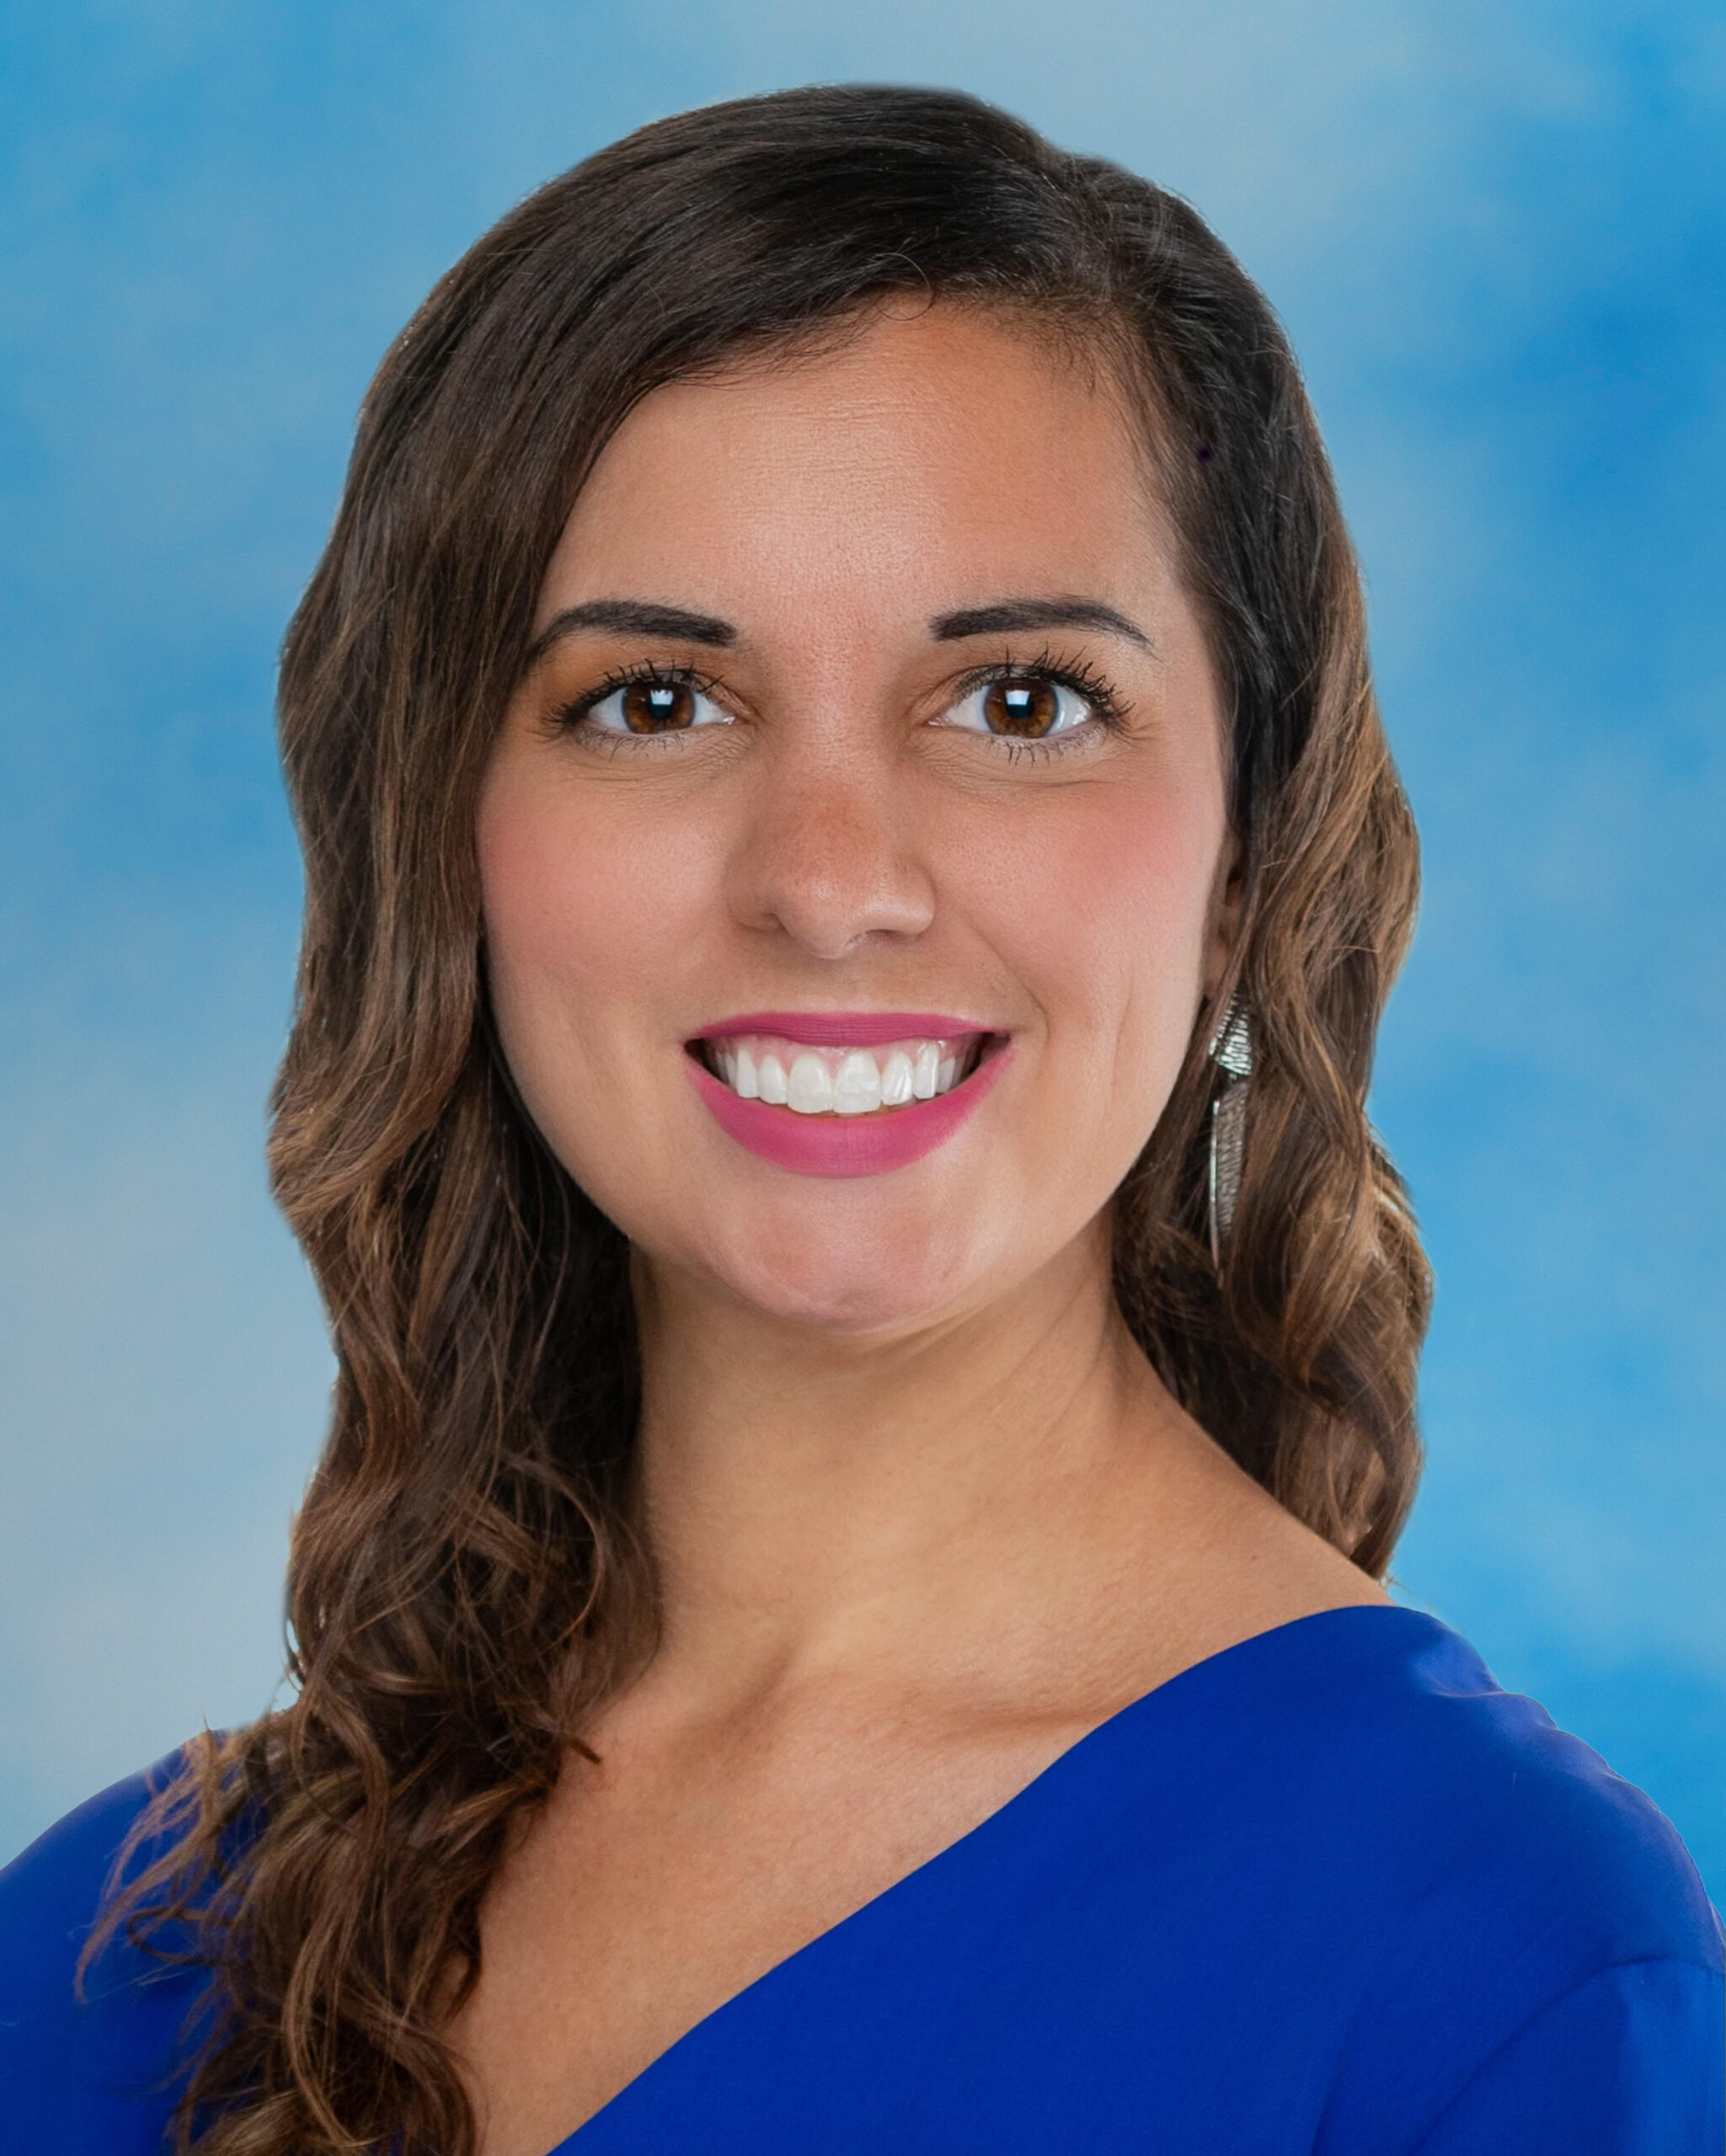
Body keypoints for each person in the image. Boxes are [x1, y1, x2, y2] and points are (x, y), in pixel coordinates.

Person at [1, 83, 1719, 2156]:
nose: (829, 876)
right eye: (655, 698)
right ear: (442, 844)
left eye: (1014, 701)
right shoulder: (111, 1953)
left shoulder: (1491, 1971)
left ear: (1247, 856)